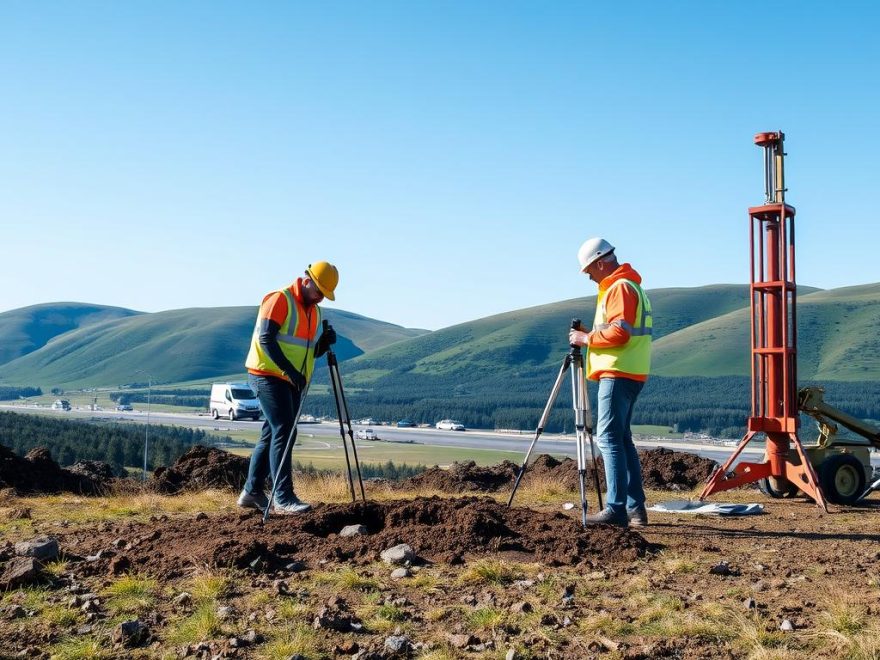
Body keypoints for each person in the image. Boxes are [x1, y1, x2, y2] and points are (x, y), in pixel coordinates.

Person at [237, 261, 339, 514]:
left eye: (324, 296)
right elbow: (266, 339)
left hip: (292, 380)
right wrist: (289, 371)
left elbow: (304, 353)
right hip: (267, 375)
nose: (320, 299)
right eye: (319, 292)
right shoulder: (279, 299)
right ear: (307, 281)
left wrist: (322, 345)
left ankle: (251, 492)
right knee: (285, 430)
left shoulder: (313, 311)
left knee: (271, 433)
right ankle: (283, 497)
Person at [569, 238, 652, 527]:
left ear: (601, 262)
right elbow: (619, 330)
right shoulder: (630, 287)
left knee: (608, 438)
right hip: (630, 370)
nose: (590, 276)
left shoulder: (619, 288)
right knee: (622, 438)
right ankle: (634, 509)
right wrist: (591, 333)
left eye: (590, 270)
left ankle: (616, 509)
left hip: (618, 372)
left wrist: (586, 338)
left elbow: (620, 334)